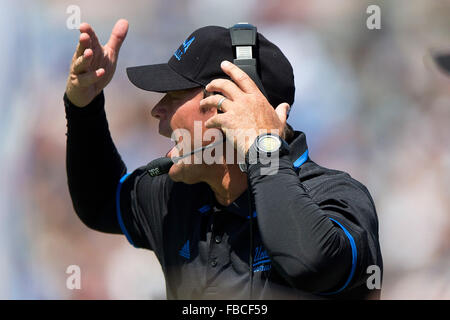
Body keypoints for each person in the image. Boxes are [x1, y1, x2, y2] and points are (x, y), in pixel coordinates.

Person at [64, 19, 383, 299]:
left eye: (174, 96)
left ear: (232, 106)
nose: (157, 110)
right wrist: (84, 106)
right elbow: (102, 203)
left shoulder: (337, 196)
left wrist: (262, 149)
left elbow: (310, 263)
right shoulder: (178, 195)